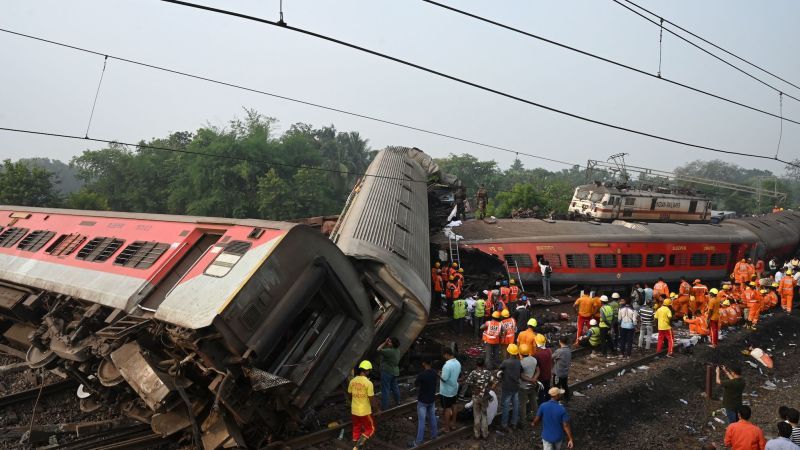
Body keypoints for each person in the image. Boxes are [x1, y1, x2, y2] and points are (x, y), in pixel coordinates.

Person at [348, 360, 379, 449]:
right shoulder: (368, 383)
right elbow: (371, 399)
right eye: (369, 370)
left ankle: (354, 444)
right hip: (364, 411)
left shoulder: (352, 381)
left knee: (356, 427)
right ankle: (357, 446)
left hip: (354, 410)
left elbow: (350, 394)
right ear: (367, 371)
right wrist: (376, 409)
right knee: (370, 429)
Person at [464, 359, 495, 440]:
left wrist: (475, 386)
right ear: (484, 364)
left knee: (477, 416)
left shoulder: (473, 373)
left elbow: (467, 382)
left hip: (475, 397)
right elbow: (492, 382)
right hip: (484, 397)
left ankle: (477, 435)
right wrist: (486, 387)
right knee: (484, 415)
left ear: (476, 364)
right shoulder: (488, 373)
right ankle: (485, 434)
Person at [411, 359, 438, 447]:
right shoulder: (434, 372)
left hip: (423, 401)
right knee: (432, 418)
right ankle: (434, 436)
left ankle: (418, 442)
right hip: (432, 399)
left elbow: (416, 384)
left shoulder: (422, 375)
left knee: (422, 421)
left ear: (423, 364)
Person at [498, 343, 522, 432]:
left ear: (509, 352)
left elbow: (500, 370)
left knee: (506, 406)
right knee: (516, 405)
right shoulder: (519, 362)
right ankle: (514, 423)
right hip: (515, 387)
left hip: (507, 387)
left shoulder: (506, 362)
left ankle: (504, 424)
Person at [439, 348, 461, 433]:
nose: (444, 357)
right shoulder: (458, 363)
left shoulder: (447, 365)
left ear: (446, 354)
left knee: (447, 408)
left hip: (446, 391)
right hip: (454, 388)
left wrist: (439, 374)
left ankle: (447, 428)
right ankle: (453, 424)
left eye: (444, 355)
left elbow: (444, 379)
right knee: (454, 405)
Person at [377, 337, 401, 410]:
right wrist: (388, 343)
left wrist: (384, 342)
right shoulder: (397, 350)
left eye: (390, 342)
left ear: (393, 344)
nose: (388, 343)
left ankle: (385, 407)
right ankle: (398, 401)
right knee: (395, 387)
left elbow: (378, 349)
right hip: (394, 372)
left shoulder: (389, 351)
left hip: (387, 372)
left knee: (385, 389)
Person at [519, 343, 540, 422]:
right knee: (533, 401)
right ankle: (536, 417)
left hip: (523, 386)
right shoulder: (534, 359)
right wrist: (534, 379)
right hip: (532, 385)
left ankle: (523, 421)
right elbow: (538, 371)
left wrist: (531, 380)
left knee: (523, 404)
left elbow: (522, 376)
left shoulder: (521, 363)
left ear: (520, 353)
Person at [534, 334, 553, 406]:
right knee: (547, 390)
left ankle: (542, 407)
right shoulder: (549, 351)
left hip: (541, 377)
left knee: (541, 393)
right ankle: (549, 404)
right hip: (548, 375)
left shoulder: (537, 355)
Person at [551, 336, 572, 401]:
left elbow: (551, 357)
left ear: (560, 342)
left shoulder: (559, 351)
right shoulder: (568, 350)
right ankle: (567, 398)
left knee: (556, 387)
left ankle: (556, 401)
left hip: (558, 373)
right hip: (565, 372)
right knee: (564, 385)